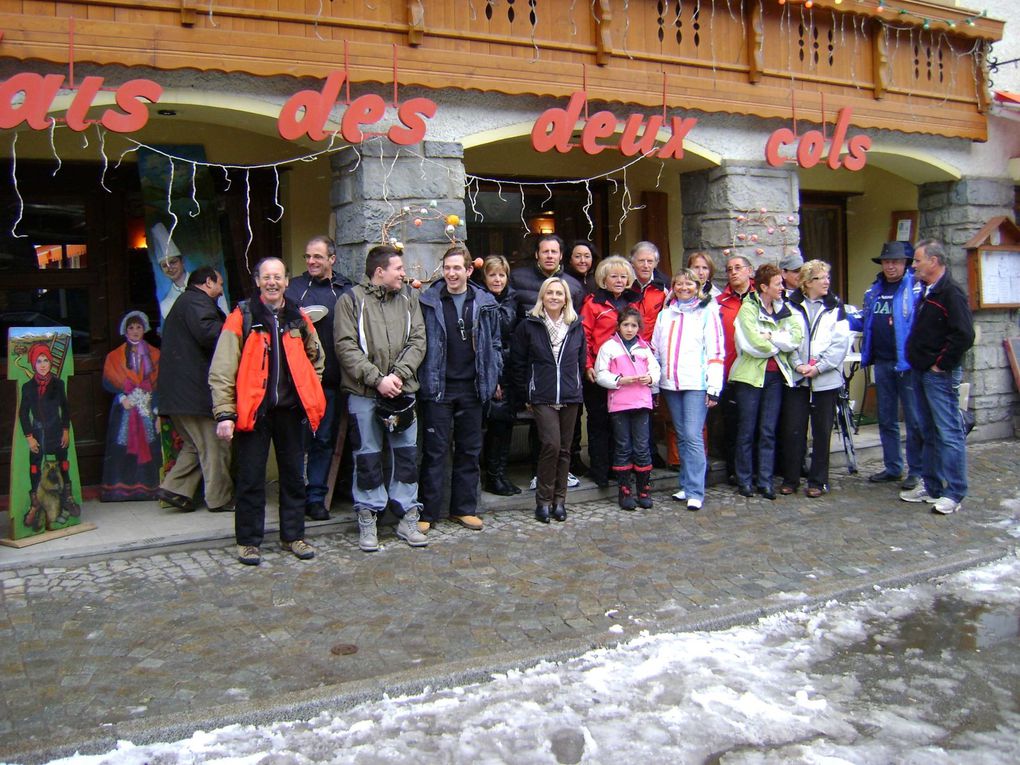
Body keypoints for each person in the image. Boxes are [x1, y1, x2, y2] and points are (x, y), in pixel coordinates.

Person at [210, 257, 325, 566]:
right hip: (253, 413)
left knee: (293, 478)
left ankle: (293, 536)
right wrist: (225, 414)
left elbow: (316, 357)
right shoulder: (242, 316)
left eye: (278, 277)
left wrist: (310, 391)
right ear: (258, 281)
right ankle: (248, 541)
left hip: (289, 412)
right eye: (266, 277)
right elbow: (222, 369)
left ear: (286, 281)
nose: (272, 282)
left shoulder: (298, 317)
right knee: (249, 479)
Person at [334, 244, 429, 549]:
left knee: (406, 455)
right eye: (399, 269)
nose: (404, 274)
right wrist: (378, 380)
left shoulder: (409, 299)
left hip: (402, 393)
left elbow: (418, 340)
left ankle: (406, 517)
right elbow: (346, 347)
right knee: (368, 456)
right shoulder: (349, 301)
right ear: (379, 272)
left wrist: (397, 376)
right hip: (364, 394)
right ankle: (368, 516)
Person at [418, 245, 502, 531]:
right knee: (435, 451)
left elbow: (495, 344)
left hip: (472, 388)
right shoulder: (428, 301)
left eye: (457, 268)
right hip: (438, 387)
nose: (452, 273)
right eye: (448, 267)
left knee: (469, 450)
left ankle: (463, 509)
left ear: (469, 270)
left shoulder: (484, 302)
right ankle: (427, 512)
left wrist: (493, 374)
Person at [900, 239, 975, 515]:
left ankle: (954, 491)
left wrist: (941, 364)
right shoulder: (928, 290)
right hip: (921, 371)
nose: (914, 265)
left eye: (918, 260)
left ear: (934, 261)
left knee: (949, 432)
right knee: (927, 429)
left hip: (937, 375)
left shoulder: (950, 293)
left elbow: (964, 334)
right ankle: (932, 486)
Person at [284, 235, 353, 521]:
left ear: (332, 260)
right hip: (297, 381)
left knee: (323, 440)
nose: (311, 262)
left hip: (331, 382)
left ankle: (315, 498)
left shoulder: (346, 290)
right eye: (308, 257)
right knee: (295, 442)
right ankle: (293, 497)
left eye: (318, 257)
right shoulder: (294, 289)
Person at [156, 267, 233, 513]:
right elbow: (212, 335)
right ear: (208, 282)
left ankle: (175, 489)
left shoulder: (185, 302)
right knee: (215, 446)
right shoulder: (197, 303)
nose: (221, 290)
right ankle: (219, 499)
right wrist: (238, 333)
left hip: (179, 394)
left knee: (195, 444)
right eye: (219, 284)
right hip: (194, 394)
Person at [510, 277, 585, 524]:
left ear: (566, 299)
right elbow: (518, 363)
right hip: (541, 395)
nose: (554, 297)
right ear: (542, 296)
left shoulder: (575, 325)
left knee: (565, 449)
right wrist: (525, 393)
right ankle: (543, 501)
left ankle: (559, 501)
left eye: (559, 293)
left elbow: (580, 361)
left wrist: (576, 386)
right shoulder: (529, 325)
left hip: (569, 395)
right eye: (550, 292)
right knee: (550, 445)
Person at [852, 241, 923, 490]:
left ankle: (917, 470)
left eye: (896, 261)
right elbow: (864, 319)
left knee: (914, 420)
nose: (890, 265)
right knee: (886, 418)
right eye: (887, 261)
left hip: (908, 364)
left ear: (905, 264)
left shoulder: (915, 289)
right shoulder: (875, 290)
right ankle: (893, 467)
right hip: (882, 361)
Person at [653, 268, 725, 511]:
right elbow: (655, 349)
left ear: (698, 286)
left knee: (693, 436)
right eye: (679, 284)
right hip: (671, 383)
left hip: (696, 383)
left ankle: (696, 489)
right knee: (681, 434)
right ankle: (685, 484)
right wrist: (655, 381)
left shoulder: (707, 312)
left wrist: (714, 386)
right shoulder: (666, 315)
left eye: (689, 284)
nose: (684, 288)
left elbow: (716, 351)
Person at [729, 263, 801, 499]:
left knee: (768, 430)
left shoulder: (784, 309)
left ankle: (765, 480)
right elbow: (753, 344)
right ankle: (744, 479)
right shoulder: (748, 309)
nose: (783, 287)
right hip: (749, 378)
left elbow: (796, 339)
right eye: (778, 283)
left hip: (774, 377)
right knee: (747, 430)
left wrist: (771, 336)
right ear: (764, 287)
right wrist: (778, 342)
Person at [779, 260, 851, 498]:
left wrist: (819, 367)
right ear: (808, 282)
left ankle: (817, 481)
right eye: (822, 278)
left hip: (825, 379)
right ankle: (791, 477)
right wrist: (797, 364)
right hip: (797, 379)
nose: (827, 282)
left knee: (822, 431)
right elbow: (785, 338)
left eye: (827, 277)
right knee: (793, 430)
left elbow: (841, 342)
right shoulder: (790, 305)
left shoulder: (835, 306)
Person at [580, 256, 640, 487]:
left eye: (623, 276)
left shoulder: (632, 304)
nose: (619, 280)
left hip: (625, 375)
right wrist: (587, 365)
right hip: (598, 372)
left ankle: (619, 468)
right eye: (613, 276)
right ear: (603, 279)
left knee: (621, 422)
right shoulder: (592, 303)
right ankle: (600, 471)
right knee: (598, 422)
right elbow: (584, 337)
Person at [595, 308, 660, 510]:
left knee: (642, 446)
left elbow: (655, 369)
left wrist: (650, 378)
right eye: (625, 325)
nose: (629, 329)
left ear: (638, 327)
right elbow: (600, 374)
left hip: (641, 402)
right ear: (619, 326)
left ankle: (643, 489)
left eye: (633, 325)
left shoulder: (644, 348)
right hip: (620, 404)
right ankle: (624, 490)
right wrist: (619, 380)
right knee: (623, 446)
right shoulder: (609, 347)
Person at [100, 311, 162, 501]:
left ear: (144, 329)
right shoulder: (114, 357)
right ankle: (120, 488)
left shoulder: (155, 354)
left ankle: (149, 487)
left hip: (147, 407)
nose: (135, 331)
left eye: (138, 327)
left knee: (150, 446)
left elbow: (160, 383)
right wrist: (121, 398)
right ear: (125, 330)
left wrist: (158, 410)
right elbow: (108, 382)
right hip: (125, 409)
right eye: (131, 328)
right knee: (122, 446)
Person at [19, 343, 80, 530]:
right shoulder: (28, 387)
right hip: (38, 431)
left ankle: (67, 497)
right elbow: (23, 413)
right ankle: (36, 503)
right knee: (35, 466)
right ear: (33, 364)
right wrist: (29, 436)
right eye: (39, 361)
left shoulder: (58, 384)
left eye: (46, 360)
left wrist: (65, 430)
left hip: (55, 429)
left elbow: (66, 408)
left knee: (62, 463)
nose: (43, 364)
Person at [479, 255, 522, 496]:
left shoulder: (513, 299)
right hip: (492, 370)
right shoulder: (482, 300)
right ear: (484, 277)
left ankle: (500, 475)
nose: (497, 279)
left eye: (501, 275)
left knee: (506, 425)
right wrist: (493, 377)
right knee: (494, 427)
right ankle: (492, 477)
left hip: (509, 369)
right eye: (492, 274)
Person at [714, 254, 755, 482]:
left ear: (750, 271)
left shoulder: (760, 299)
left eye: (738, 267)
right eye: (729, 269)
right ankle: (733, 470)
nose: (733, 272)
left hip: (755, 373)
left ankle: (755, 470)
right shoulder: (720, 302)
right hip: (728, 371)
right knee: (731, 425)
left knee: (754, 425)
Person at [564, 239, 600, 474]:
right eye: (578, 256)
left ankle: (598, 459)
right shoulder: (565, 282)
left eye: (586, 256)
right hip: (571, 350)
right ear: (569, 259)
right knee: (573, 410)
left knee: (595, 411)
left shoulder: (598, 282)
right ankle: (573, 456)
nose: (582, 260)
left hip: (595, 356)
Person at [510, 234, 585, 319]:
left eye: (554, 252)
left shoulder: (575, 286)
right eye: (545, 251)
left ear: (561, 255)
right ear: (536, 254)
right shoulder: (516, 279)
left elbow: (575, 323)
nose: (550, 256)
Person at [159, 253, 230, 320]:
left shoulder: (208, 282)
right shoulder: (165, 305)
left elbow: (225, 315)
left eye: (173, 262)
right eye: (164, 266)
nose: (170, 268)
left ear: (182, 261)